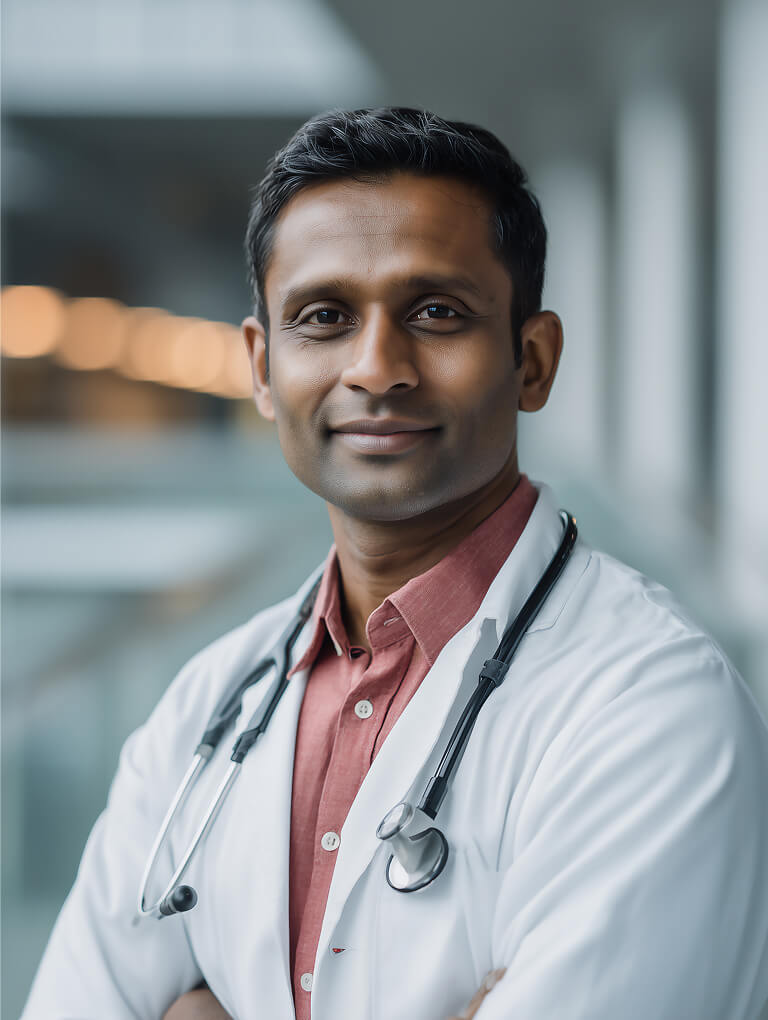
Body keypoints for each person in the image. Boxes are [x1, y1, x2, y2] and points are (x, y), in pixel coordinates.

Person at [23, 107, 768, 1020]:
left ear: (533, 361)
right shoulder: (204, 706)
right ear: (262, 367)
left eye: (436, 312)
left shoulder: (654, 710)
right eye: (324, 317)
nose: (377, 368)